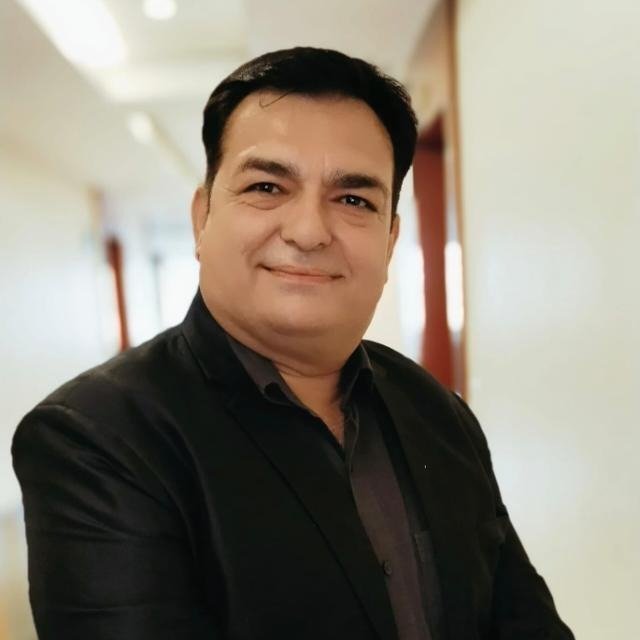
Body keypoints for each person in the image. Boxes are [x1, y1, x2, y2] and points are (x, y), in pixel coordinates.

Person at [11, 47, 574, 640]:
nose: (308, 232)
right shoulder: (98, 437)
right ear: (202, 218)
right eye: (266, 186)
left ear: (389, 242)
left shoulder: (438, 411)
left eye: (353, 200)